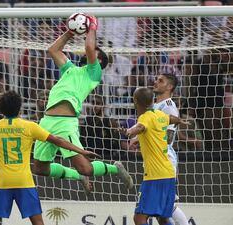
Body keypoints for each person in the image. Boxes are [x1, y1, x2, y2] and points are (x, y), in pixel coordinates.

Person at [0, 91, 100, 225]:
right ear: (19, 108)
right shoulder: (29, 126)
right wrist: (81, 151)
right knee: (38, 223)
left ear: (0, 109)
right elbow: (59, 140)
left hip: (2, 183)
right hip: (24, 182)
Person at [33, 14, 133, 191]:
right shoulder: (70, 69)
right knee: (40, 169)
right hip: (46, 120)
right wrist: (70, 32)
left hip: (65, 123)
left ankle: (114, 168)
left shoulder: (93, 73)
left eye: (95, 50)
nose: (91, 50)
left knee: (86, 168)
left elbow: (88, 46)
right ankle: (76, 176)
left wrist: (92, 26)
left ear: (99, 60)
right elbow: (53, 50)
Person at [119, 87, 189, 225]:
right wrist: (180, 121)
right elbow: (171, 118)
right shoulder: (159, 114)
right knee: (162, 218)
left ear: (135, 101)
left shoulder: (145, 117)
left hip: (154, 175)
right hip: (168, 173)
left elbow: (139, 127)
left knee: (139, 218)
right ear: (152, 101)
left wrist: (128, 131)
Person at [152, 73, 189, 225]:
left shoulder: (168, 107)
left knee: (166, 205)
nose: (155, 82)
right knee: (158, 211)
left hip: (164, 158)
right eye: (156, 79)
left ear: (169, 87)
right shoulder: (155, 106)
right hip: (155, 159)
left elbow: (169, 137)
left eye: (160, 81)